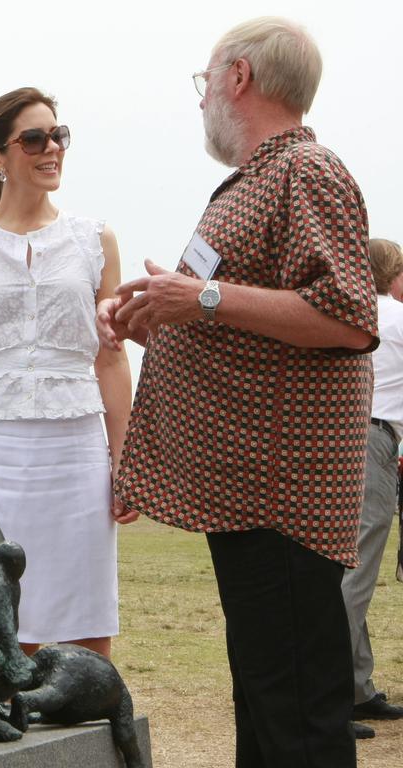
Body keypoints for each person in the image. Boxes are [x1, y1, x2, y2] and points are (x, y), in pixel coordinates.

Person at [99, 17, 377, 767]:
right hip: (251, 496)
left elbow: (348, 315)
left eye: (204, 81)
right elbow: (245, 326)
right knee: (265, 709)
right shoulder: (256, 181)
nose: (200, 102)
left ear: (240, 78)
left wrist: (203, 300)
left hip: (282, 499)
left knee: (296, 724)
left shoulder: (306, 172)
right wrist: (157, 313)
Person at [0, 87, 133, 659]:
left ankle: (85, 738)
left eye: (58, 136)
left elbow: (110, 355)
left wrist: (126, 459)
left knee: (86, 612)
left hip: (77, 452)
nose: (52, 149)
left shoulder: (96, 240)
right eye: (34, 139)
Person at [341, 238, 403, 735]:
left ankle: (358, 687)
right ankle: (331, 695)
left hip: (343, 437)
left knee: (348, 564)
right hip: (375, 439)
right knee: (355, 574)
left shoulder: (356, 314)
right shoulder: (397, 318)